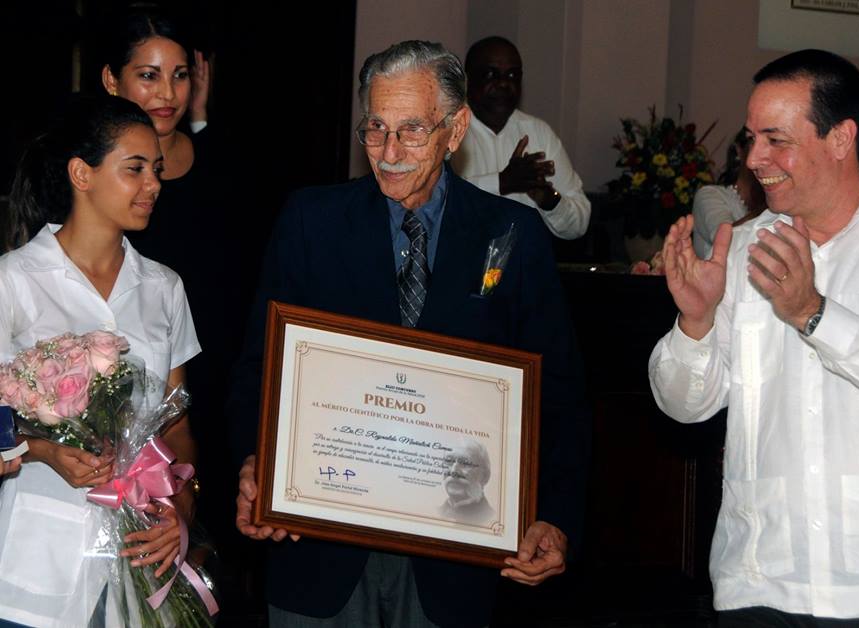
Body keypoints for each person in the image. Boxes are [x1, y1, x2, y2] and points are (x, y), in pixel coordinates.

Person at [230, 40, 590, 628]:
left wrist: (554, 516)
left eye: (412, 131)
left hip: (457, 565)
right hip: (320, 549)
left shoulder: (513, 234)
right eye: (375, 129)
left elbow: (562, 395)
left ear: (456, 129)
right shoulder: (310, 221)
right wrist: (256, 464)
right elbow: (257, 369)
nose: (389, 152)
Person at [649, 49, 859, 625]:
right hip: (762, 579)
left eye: (776, 139)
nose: (755, 159)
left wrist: (812, 313)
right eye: (751, 138)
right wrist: (694, 322)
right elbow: (686, 407)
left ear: (841, 139)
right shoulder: (741, 246)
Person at [0, 95, 201, 626]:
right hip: (36, 558)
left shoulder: (164, 288)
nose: (153, 184)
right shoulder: (14, 280)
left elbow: (176, 431)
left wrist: (178, 511)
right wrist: (42, 450)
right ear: (80, 174)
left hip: (138, 561)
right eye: (134, 169)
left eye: (156, 169)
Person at [99, 8, 245, 539]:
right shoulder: (90, 176)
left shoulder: (222, 168)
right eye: (149, 75)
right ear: (111, 80)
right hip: (121, 384)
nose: (167, 92)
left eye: (179, 75)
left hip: (211, 387)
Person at [451, 36, 590, 240]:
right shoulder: (448, 129)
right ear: (467, 80)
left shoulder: (539, 133)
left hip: (525, 264)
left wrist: (547, 198)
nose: (503, 84)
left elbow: (579, 224)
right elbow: (438, 203)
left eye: (512, 75)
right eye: (491, 74)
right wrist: (501, 182)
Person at [692, 129, 765, 258]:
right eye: (753, 145)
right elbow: (723, 238)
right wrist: (769, 209)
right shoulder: (709, 195)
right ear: (739, 150)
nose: (763, 158)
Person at [439, 440, 495, 526]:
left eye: (465, 463)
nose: (454, 471)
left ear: (485, 476)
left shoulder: (491, 519)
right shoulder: (435, 512)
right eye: (449, 461)